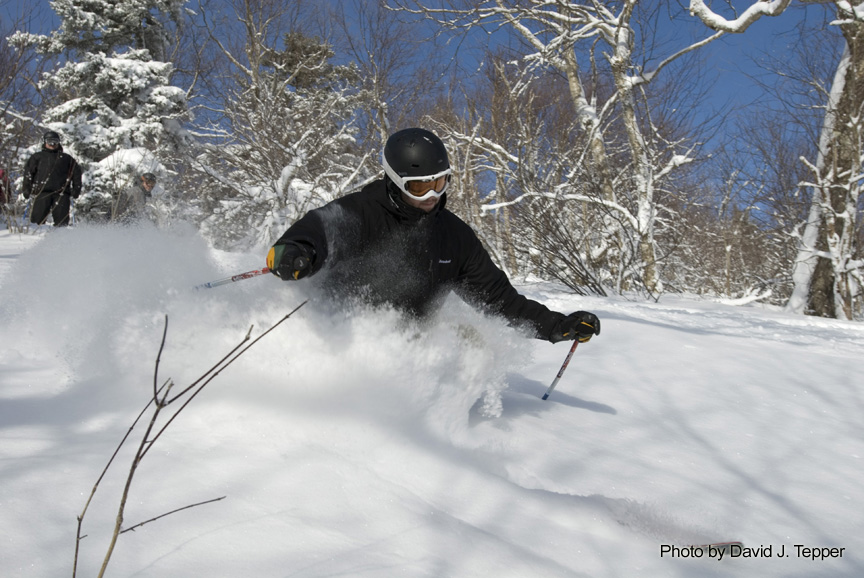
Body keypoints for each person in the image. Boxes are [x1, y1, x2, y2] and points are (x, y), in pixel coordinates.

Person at [267, 127, 601, 345]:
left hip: (413, 342)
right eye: (420, 186)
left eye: (439, 183)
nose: (430, 196)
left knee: (472, 344)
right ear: (396, 181)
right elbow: (320, 228)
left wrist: (557, 326)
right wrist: (297, 249)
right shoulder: (362, 212)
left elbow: (499, 300)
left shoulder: (454, 237)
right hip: (344, 336)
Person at [22, 131, 82, 227]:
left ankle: (60, 239)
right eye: (50, 141)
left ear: (58, 142)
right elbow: (28, 174)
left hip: (61, 193)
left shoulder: (66, 158)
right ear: (45, 142)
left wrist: (76, 189)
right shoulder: (37, 157)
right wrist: (26, 188)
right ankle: (34, 238)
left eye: (55, 141)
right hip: (42, 192)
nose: (52, 144)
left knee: (62, 223)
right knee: (37, 221)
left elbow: (77, 174)